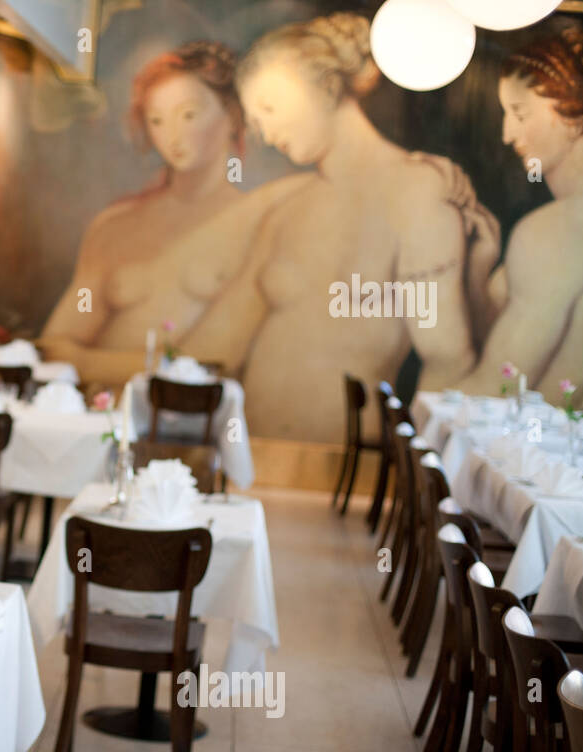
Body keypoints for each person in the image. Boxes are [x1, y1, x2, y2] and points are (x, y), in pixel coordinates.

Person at [176, 12, 499, 442]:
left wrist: (416, 473)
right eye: (255, 122)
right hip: (252, 463)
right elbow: (216, 348)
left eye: (270, 109)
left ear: (327, 87)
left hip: (346, 476)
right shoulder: (289, 211)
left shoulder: (417, 188)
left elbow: (447, 359)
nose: (267, 134)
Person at [36, 41, 309, 386]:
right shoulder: (116, 227)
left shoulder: (261, 220)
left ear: (232, 116)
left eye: (189, 115)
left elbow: (213, 365)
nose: (174, 135)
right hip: (101, 418)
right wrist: (87, 365)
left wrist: (87, 364)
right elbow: (57, 346)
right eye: (157, 120)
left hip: (196, 421)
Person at [452, 26, 583, 396]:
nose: (507, 135)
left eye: (520, 113)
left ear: (572, 116)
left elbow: (497, 387)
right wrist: (480, 272)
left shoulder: (554, 229)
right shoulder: (552, 226)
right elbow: (500, 359)